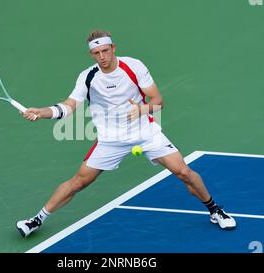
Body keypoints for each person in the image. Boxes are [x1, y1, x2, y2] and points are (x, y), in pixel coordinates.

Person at [16, 29, 236, 237]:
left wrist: (143, 109)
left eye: (105, 50)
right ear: (91, 54)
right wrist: (42, 113)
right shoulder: (87, 77)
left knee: (184, 172)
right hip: (111, 140)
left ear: (113, 48)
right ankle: (36, 220)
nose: (101, 57)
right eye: (96, 53)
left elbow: (159, 101)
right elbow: (69, 105)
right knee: (78, 182)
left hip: (145, 133)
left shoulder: (134, 66)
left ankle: (215, 210)